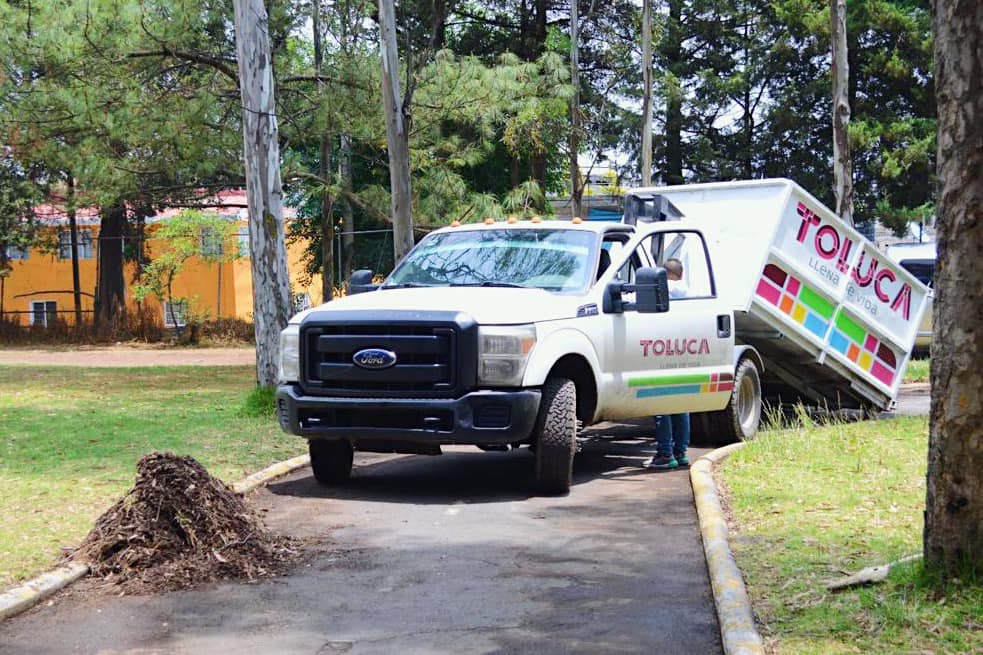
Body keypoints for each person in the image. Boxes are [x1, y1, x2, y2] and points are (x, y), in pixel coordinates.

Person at [646, 258, 691, 470]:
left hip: (663, 350)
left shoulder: (664, 289)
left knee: (661, 404)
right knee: (681, 404)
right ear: (681, 274)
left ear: (664, 274)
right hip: (684, 351)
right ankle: (681, 452)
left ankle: (665, 454)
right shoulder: (688, 291)